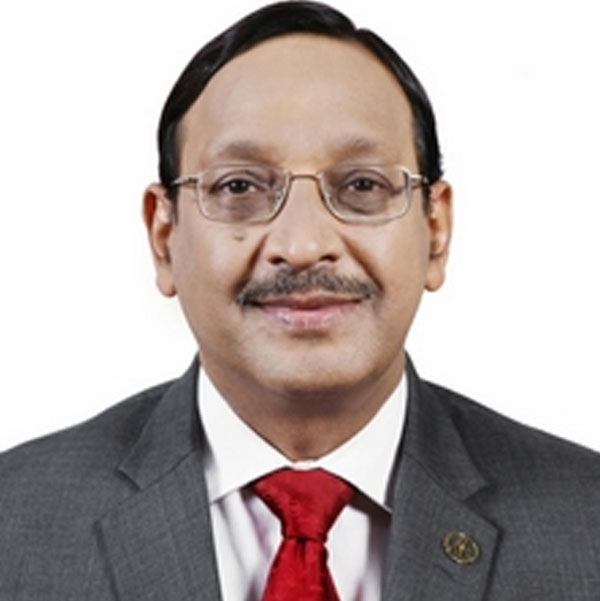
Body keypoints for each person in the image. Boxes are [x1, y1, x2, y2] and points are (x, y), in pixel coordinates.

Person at [1, 2, 598, 599]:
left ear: (436, 231)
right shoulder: (14, 522)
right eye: (240, 186)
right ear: (164, 237)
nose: (304, 245)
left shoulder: (585, 522)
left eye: (362, 185)